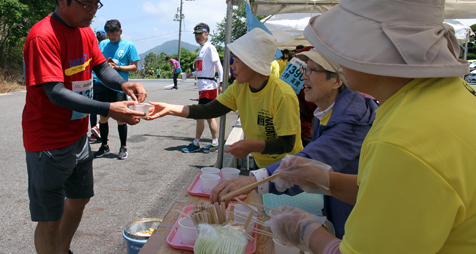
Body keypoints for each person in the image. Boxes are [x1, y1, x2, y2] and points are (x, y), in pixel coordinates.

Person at [266, 0, 476, 254]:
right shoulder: (446, 97)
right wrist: (327, 180)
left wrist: (305, 231)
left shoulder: (403, 137)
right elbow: (397, 195)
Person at [22, 0, 147, 254]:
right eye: (86, 4)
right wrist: (109, 108)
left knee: (79, 199)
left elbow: (101, 66)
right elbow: (55, 92)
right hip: (49, 141)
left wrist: (123, 86)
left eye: (96, 4)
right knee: (49, 217)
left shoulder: (85, 31)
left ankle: (63, 250)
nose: (93, 10)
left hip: (78, 136)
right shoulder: (43, 36)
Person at [211, 48, 377, 238]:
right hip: (340, 211)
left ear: (337, 81)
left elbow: (314, 159)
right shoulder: (330, 110)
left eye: (312, 71)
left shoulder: (352, 119)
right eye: (305, 69)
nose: (304, 77)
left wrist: (253, 180)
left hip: (359, 224)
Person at [146, 28, 304, 168]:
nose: (232, 66)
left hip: (290, 167)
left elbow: (287, 143)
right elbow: (208, 110)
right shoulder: (239, 87)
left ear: (253, 63)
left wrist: (251, 145)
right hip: (262, 164)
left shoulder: (282, 94)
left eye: (236, 60)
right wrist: (169, 108)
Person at [93, 19, 141, 160]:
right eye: (109, 33)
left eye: (114, 33)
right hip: (101, 85)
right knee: (103, 118)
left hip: (118, 87)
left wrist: (117, 67)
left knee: (120, 118)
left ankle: (123, 147)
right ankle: (104, 146)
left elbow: (134, 66)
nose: (111, 36)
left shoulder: (129, 45)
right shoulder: (102, 44)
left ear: (120, 31)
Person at [183, 22, 224, 153]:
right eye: (196, 34)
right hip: (203, 86)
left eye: (201, 34)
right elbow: (201, 71)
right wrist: (190, 74)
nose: (198, 36)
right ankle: (214, 142)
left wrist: (222, 83)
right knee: (207, 116)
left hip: (208, 87)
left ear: (207, 34)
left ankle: (197, 142)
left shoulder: (209, 47)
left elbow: (219, 66)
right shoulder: (201, 49)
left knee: (202, 115)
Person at [89, 30, 108, 142]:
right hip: (103, 81)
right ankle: (99, 127)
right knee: (106, 109)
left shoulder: (93, 46)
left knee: (93, 109)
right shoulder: (106, 46)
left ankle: (93, 133)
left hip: (92, 80)